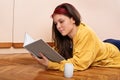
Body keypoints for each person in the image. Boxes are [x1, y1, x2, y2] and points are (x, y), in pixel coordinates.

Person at [33, 3, 120, 71]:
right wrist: (42, 53)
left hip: (115, 51)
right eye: (56, 23)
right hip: (104, 45)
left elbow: (78, 64)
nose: (58, 26)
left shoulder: (85, 33)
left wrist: (50, 65)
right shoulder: (66, 36)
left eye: (61, 21)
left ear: (73, 19)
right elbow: (57, 52)